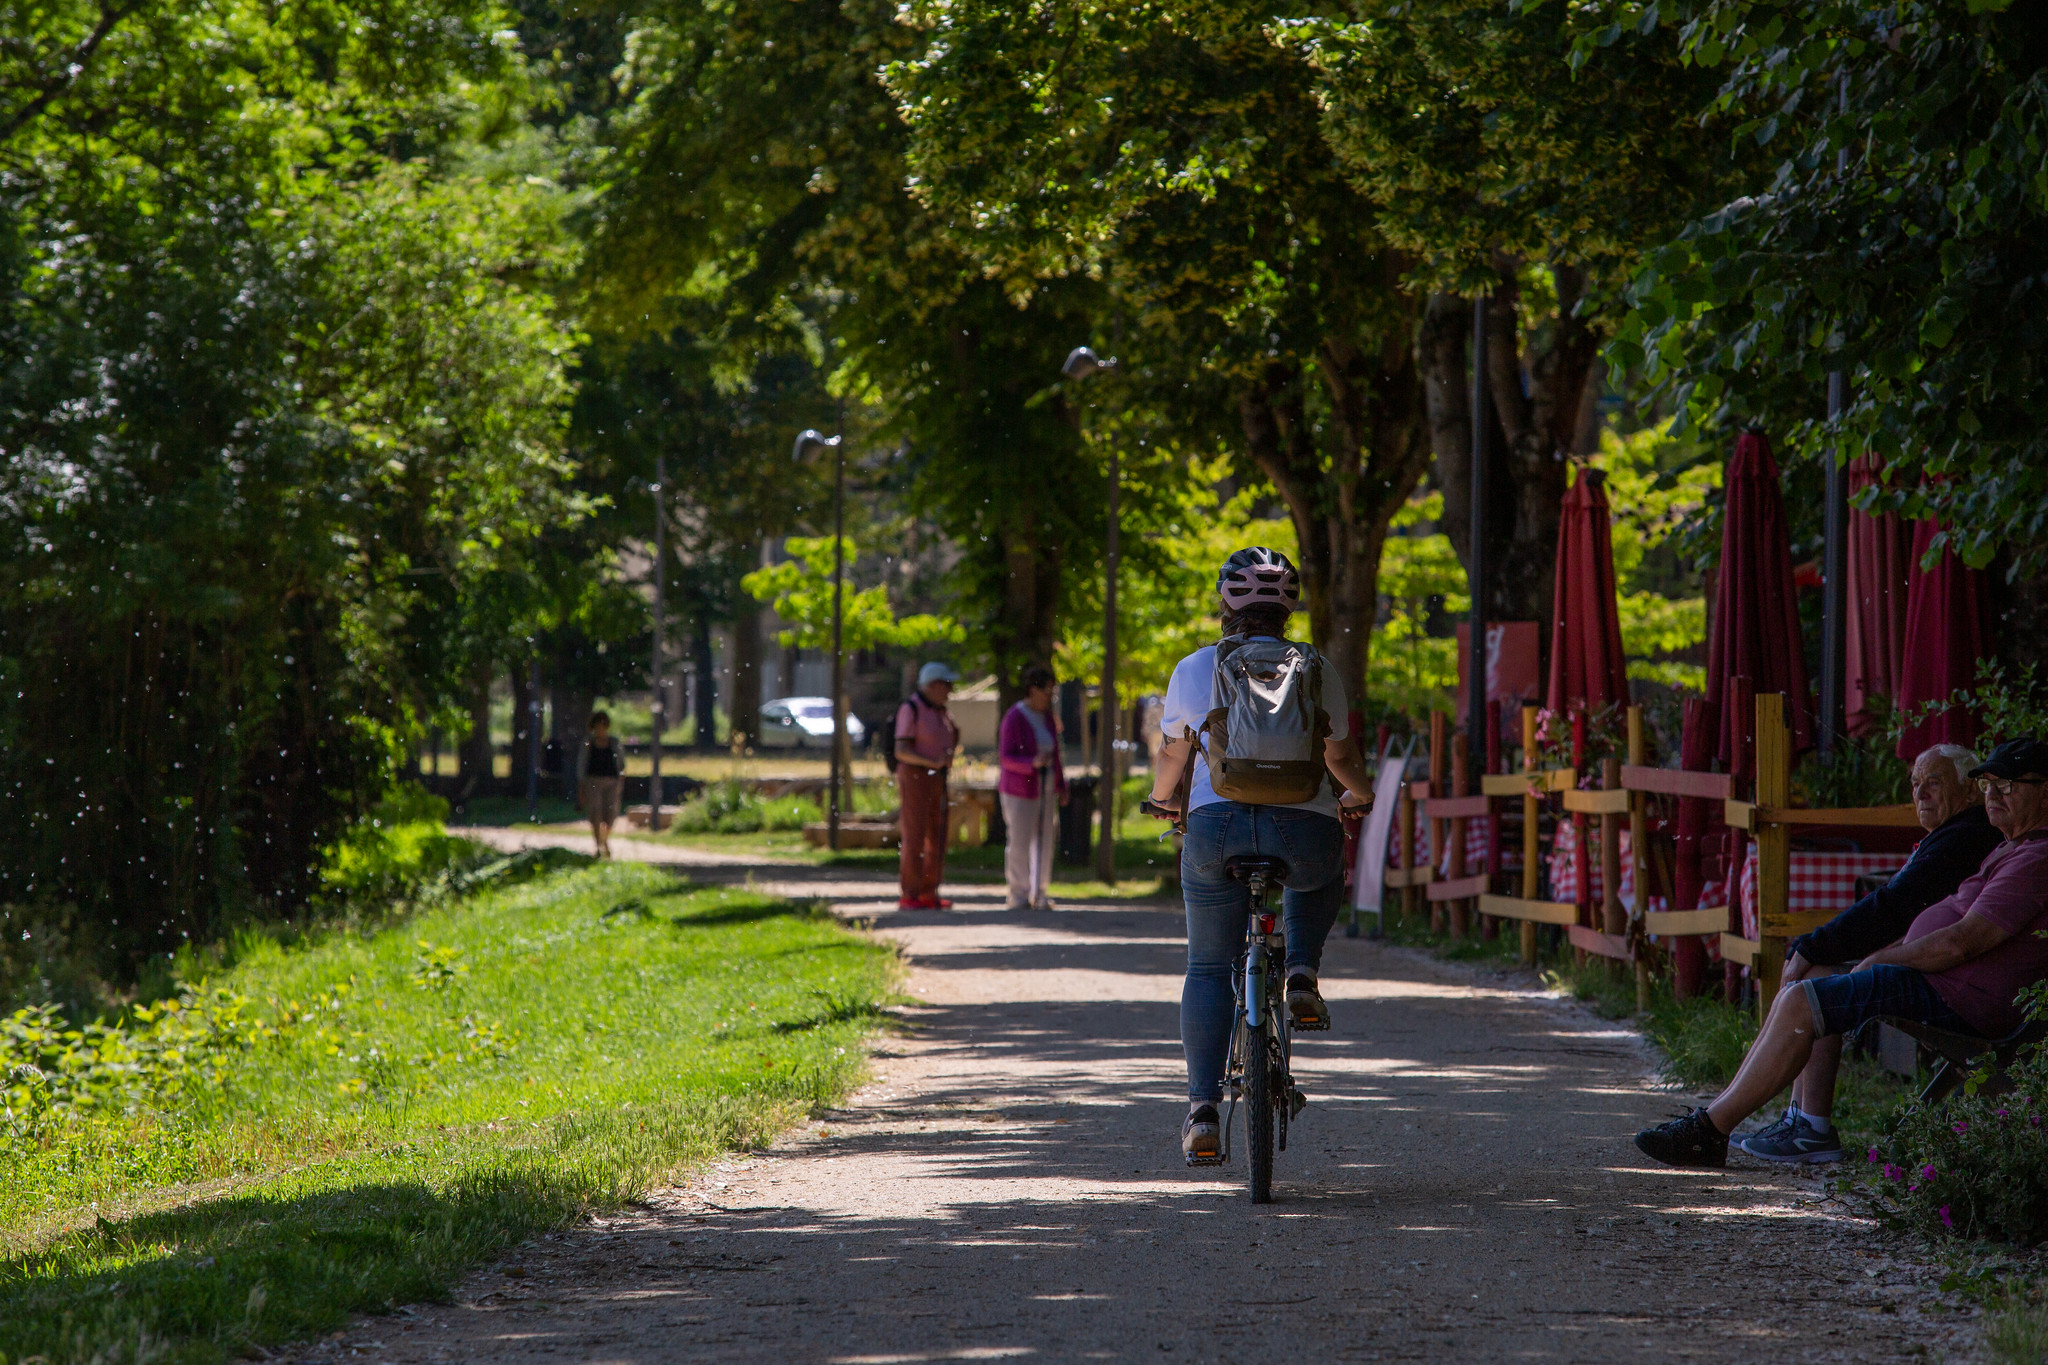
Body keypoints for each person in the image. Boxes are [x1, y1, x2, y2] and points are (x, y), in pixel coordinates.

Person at [1636, 737, 2048, 1169]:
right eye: (1989, 785)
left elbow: (1961, 940)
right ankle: (1796, 1124)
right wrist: (1889, 953)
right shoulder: (2008, 847)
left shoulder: (2034, 858)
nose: (1994, 795)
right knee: (1814, 981)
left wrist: (1882, 960)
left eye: (2009, 785)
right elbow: (1943, 927)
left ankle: (1710, 1130)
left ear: (2045, 792)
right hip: (1945, 984)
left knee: (1803, 999)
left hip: (1962, 998)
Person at [1147, 548, 1376, 1164]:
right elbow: (1340, 756)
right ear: (1289, 607)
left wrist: (1162, 801)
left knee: (1206, 965)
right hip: (1301, 829)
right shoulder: (1319, 668)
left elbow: (1175, 754)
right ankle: (1300, 969)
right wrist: (1360, 794)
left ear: (1226, 604)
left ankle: (1201, 1112)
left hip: (1214, 829)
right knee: (1321, 867)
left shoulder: (1195, 668)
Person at [1739, 744, 2001, 1163]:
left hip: (1948, 982)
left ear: (1971, 791)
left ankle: (1806, 1127)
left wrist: (1813, 943)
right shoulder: (1957, 833)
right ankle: (1802, 1120)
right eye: (1915, 784)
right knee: (1820, 971)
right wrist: (1822, 947)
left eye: (1934, 783)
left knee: (1820, 976)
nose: (1921, 794)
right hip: (1934, 969)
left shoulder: (1965, 835)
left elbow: (1893, 907)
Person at [998, 665, 1067, 911]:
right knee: (1019, 841)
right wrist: (1032, 763)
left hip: (1045, 789)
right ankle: (1018, 894)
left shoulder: (1048, 717)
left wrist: (1062, 784)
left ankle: (1039, 892)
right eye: (1047, 691)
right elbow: (1006, 758)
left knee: (1045, 840)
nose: (1050, 697)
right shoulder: (1014, 717)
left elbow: (1056, 753)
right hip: (1019, 790)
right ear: (1032, 690)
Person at [894, 662, 961, 911]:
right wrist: (931, 761)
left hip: (938, 778)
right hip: (915, 777)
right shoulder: (911, 709)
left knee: (937, 834)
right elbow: (901, 750)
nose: (950, 690)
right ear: (933, 685)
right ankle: (910, 892)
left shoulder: (941, 711)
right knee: (915, 834)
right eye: (947, 685)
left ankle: (929, 891)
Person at [577, 710, 625, 859]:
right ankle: (598, 845)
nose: (600, 730)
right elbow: (581, 765)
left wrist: (620, 783)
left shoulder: (614, 743)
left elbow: (621, 765)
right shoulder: (588, 744)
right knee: (595, 813)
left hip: (611, 782)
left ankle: (604, 839)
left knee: (610, 815)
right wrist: (581, 788)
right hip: (593, 782)